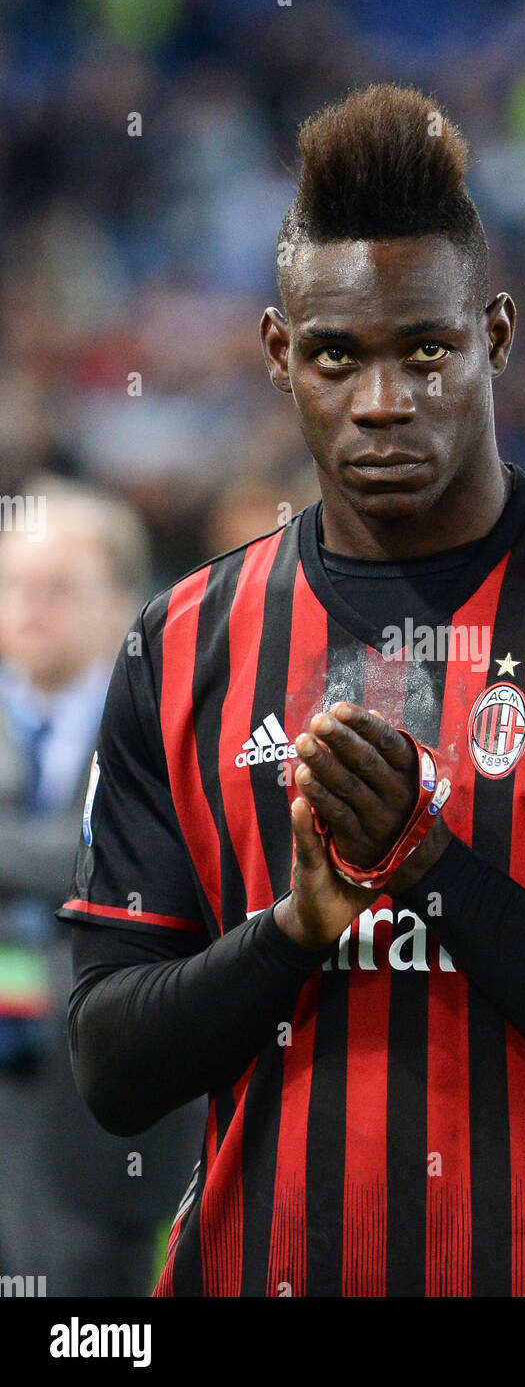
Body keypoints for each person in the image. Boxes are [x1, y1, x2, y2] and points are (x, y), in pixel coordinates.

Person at [58, 85, 525, 1298]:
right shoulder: (183, 643)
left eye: (428, 349)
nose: (384, 401)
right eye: (337, 355)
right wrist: (298, 929)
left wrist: (434, 870)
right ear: (276, 352)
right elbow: (111, 1066)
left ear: (496, 336)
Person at [0, 479, 204, 1295]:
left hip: (100, 1110)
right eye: (14, 586)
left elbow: (137, 868)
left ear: (120, 599)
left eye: (59, 589)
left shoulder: (168, 723)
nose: (31, 608)